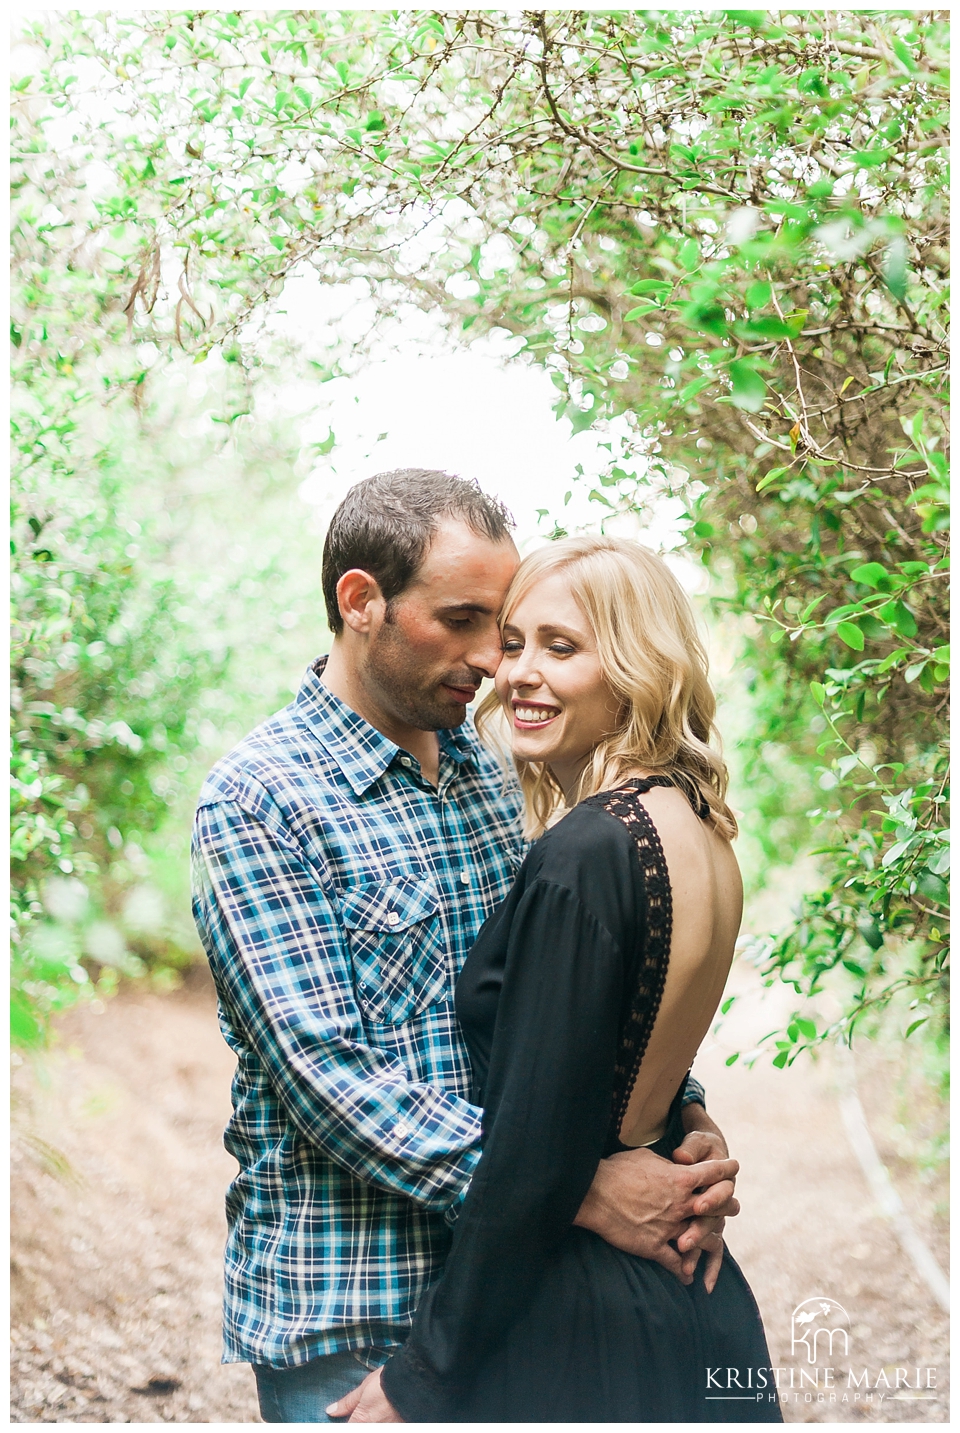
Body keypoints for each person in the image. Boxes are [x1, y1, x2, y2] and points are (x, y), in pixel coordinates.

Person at [192, 473, 740, 1425]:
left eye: (508, 626)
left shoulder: (492, 772)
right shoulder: (260, 800)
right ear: (361, 601)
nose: (493, 659)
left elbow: (568, 993)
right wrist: (578, 1186)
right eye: (465, 621)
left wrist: (674, 1117)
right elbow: (329, 1078)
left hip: (514, 1293)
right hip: (361, 1310)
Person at [333, 534, 781, 1423]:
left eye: (562, 647)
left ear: (636, 665)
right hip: (692, 1293)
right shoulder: (700, 828)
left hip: (584, 1316)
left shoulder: (585, 851)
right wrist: (688, 1125)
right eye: (514, 643)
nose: (518, 675)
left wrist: (422, 1374)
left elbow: (533, 1153)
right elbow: (631, 1048)